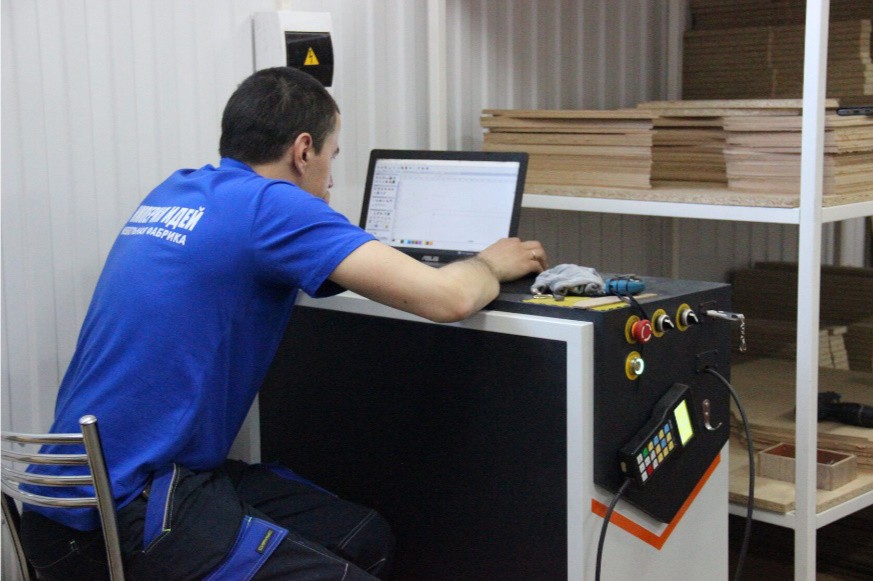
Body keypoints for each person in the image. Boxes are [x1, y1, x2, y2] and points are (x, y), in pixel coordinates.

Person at [20, 66, 548, 580]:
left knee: (365, 537)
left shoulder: (179, 190)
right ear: (303, 150)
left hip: (67, 495)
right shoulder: (273, 207)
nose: (331, 178)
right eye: (332, 156)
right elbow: (449, 299)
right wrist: (490, 263)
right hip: (115, 518)